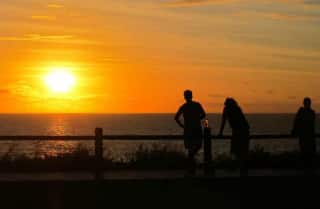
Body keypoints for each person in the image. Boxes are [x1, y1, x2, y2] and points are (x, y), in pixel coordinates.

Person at [175, 90, 206, 175]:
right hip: (196, 129)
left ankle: (190, 165)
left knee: (191, 148)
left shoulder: (184, 107)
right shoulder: (197, 105)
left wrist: (183, 126)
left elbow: (176, 118)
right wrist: (197, 119)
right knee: (197, 146)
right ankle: (191, 168)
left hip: (188, 130)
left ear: (185, 97)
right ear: (191, 96)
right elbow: (204, 114)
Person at [218, 98, 250, 176]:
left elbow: (223, 122)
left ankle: (241, 168)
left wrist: (220, 133)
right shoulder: (237, 109)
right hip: (244, 131)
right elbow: (244, 121)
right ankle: (242, 169)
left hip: (238, 132)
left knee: (237, 151)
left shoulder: (227, 110)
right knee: (242, 152)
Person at [292, 97, 316, 173]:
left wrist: (294, 131)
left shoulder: (305, 112)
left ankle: (307, 169)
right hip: (308, 136)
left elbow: (297, 122)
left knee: (306, 153)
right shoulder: (310, 113)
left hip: (307, 136)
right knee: (306, 153)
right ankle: (307, 169)